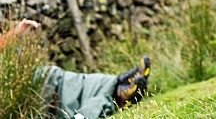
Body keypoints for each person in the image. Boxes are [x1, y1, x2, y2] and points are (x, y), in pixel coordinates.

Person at [0, 19, 151, 118]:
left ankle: (119, 84)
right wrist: (17, 33)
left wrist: (17, 32)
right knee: (66, 87)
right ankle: (120, 95)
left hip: (36, 79)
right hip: (34, 92)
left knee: (73, 81)